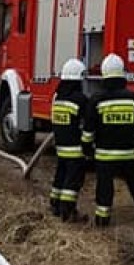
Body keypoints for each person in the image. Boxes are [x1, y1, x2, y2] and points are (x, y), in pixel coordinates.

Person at [81, 53, 134, 228]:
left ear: (104, 74)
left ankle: (102, 218)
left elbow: (88, 130)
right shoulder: (133, 98)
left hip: (105, 156)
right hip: (130, 153)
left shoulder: (96, 99)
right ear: (122, 73)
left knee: (104, 187)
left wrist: (87, 149)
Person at [49, 58, 87, 222]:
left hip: (61, 146)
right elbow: (87, 122)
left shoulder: (58, 97)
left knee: (61, 174)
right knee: (73, 180)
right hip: (75, 148)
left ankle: (55, 204)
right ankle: (68, 211)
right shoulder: (79, 99)